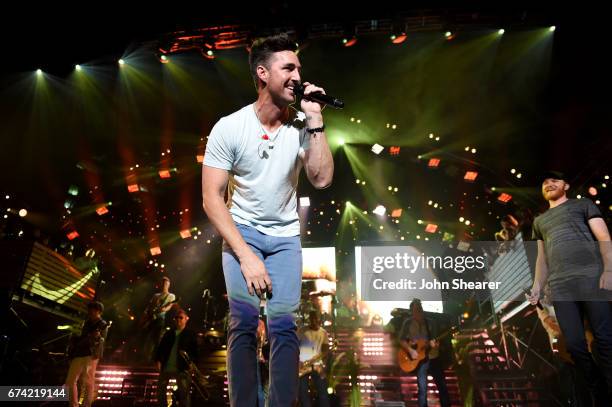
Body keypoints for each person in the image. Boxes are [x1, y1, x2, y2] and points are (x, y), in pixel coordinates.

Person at [202, 33, 333, 406]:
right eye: (288, 67)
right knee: (242, 324)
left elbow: (322, 179)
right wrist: (245, 255)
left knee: (284, 326)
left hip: (286, 237)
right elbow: (212, 198)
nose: (297, 75)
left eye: (299, 68)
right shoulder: (230, 127)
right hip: (242, 231)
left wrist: (316, 118)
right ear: (263, 73)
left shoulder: (302, 128)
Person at [527, 170, 612, 404]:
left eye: (554, 180)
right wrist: (536, 287)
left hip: (591, 278)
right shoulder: (539, 221)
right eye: (544, 182)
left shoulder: (582, 205)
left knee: (605, 338)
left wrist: (608, 270)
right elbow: (541, 258)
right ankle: (598, 387)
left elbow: (604, 236)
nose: (548, 184)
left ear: (565, 185)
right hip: (561, 287)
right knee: (574, 345)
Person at [398, 299, 450, 407]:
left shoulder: (431, 322)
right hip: (420, 360)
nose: (419, 311)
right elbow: (401, 340)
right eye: (416, 309)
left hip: (433, 357)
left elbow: (436, 339)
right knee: (422, 389)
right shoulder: (408, 323)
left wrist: (435, 344)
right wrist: (411, 350)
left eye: (420, 308)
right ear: (411, 311)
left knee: (442, 386)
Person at [65, 301, 109, 407]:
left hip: (91, 354)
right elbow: (78, 337)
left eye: (91, 309)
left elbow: (102, 341)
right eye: (89, 309)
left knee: (88, 381)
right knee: (70, 381)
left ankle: (86, 405)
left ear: (98, 311)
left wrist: (98, 337)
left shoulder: (102, 324)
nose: (89, 311)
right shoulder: (85, 322)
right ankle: (74, 405)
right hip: (79, 353)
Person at [155, 308, 198, 407]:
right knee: (160, 393)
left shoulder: (190, 334)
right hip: (166, 367)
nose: (178, 319)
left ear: (186, 319)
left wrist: (192, 363)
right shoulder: (169, 333)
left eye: (181, 318)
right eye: (176, 318)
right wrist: (158, 360)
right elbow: (160, 348)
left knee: (184, 395)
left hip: (182, 368)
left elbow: (194, 351)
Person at [298, 311, 330, 407]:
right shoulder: (301, 331)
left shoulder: (323, 333)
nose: (314, 321)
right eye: (312, 318)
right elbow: (294, 347)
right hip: (303, 366)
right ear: (309, 319)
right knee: (302, 393)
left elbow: (325, 350)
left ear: (320, 319)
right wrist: (297, 362)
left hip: (317, 366)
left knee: (323, 393)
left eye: (316, 318)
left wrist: (323, 364)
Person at [143, 276, 176, 361]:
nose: (164, 285)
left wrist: (164, 309)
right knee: (147, 338)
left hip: (160, 319)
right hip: (151, 318)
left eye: (166, 284)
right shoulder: (156, 296)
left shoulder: (171, 296)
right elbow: (149, 306)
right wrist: (145, 314)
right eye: (163, 283)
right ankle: (145, 357)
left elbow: (169, 306)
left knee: (157, 338)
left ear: (169, 285)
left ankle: (155, 358)